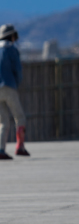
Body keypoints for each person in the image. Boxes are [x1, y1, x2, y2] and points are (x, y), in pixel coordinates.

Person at [0, 25, 30, 159]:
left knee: (3, 121)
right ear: (12, 36)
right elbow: (17, 70)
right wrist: (16, 84)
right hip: (9, 86)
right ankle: (20, 146)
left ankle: (1, 150)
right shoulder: (11, 50)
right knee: (20, 116)